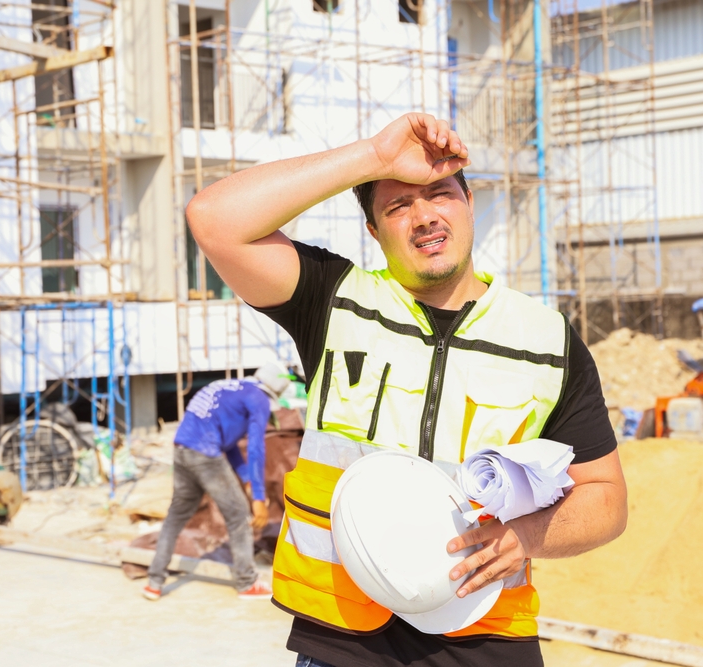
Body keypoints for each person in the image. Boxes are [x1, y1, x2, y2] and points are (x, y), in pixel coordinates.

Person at [185, 113, 627, 667]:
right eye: (397, 206)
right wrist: (374, 155)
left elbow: (606, 498)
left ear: (469, 202)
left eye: (440, 194)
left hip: (485, 636)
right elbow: (213, 219)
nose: (424, 217)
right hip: (343, 638)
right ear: (374, 230)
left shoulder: (546, 341)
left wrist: (530, 535)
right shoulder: (334, 300)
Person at [144, 361, 291, 601]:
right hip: (205, 454)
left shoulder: (229, 387)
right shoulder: (259, 398)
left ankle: (154, 581)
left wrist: (246, 479)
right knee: (240, 517)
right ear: (275, 392)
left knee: (176, 516)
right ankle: (247, 582)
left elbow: (229, 444)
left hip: (181, 449)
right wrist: (258, 497)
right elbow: (255, 448)